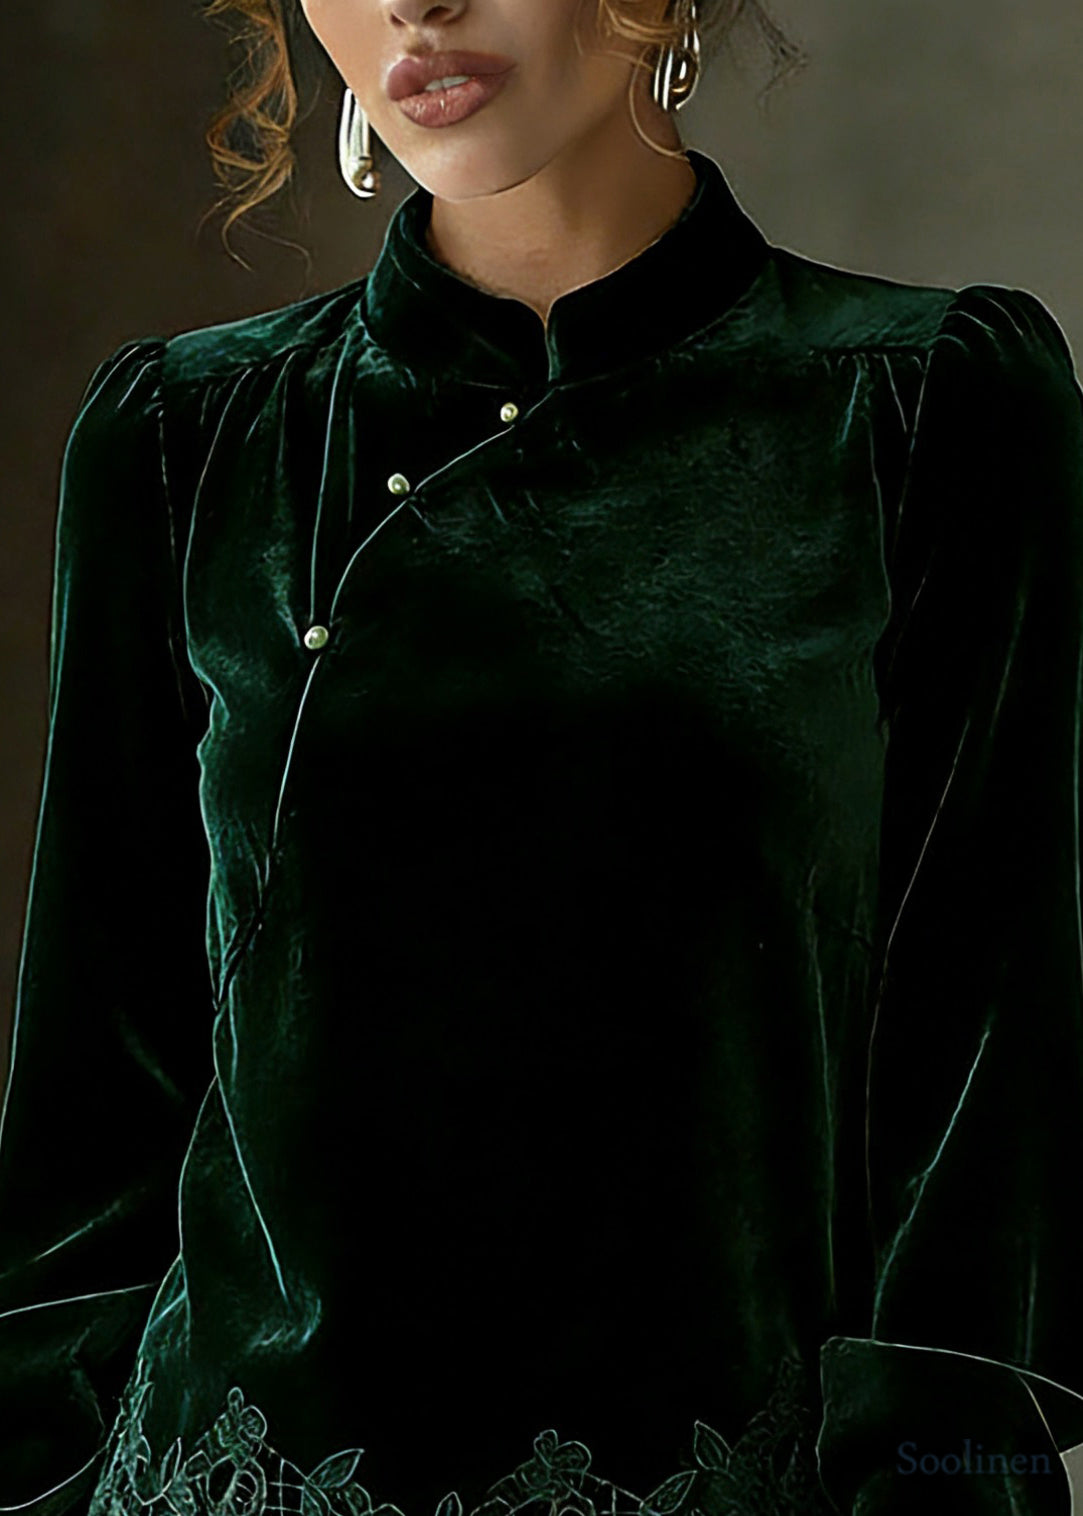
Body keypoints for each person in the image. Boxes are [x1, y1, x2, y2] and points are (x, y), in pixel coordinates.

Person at [2, 0, 1083, 1511]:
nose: (416, 2)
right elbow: (90, 1119)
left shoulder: (921, 405)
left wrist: (945, 1468)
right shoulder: (189, 435)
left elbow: (990, 1068)